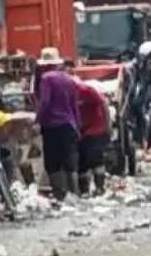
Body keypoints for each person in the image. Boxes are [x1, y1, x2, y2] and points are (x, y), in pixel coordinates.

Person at [35, 48, 80, 201]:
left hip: (51, 126)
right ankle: (75, 194)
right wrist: (77, 125)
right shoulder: (68, 79)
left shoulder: (46, 78)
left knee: (53, 162)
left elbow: (45, 101)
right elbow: (74, 105)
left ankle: (59, 195)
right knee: (69, 162)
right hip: (69, 125)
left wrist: (37, 118)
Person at [73, 77, 111, 196]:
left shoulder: (87, 90)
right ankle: (84, 190)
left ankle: (100, 187)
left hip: (96, 128)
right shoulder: (66, 94)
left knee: (95, 158)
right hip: (80, 130)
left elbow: (104, 104)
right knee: (82, 161)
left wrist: (107, 125)